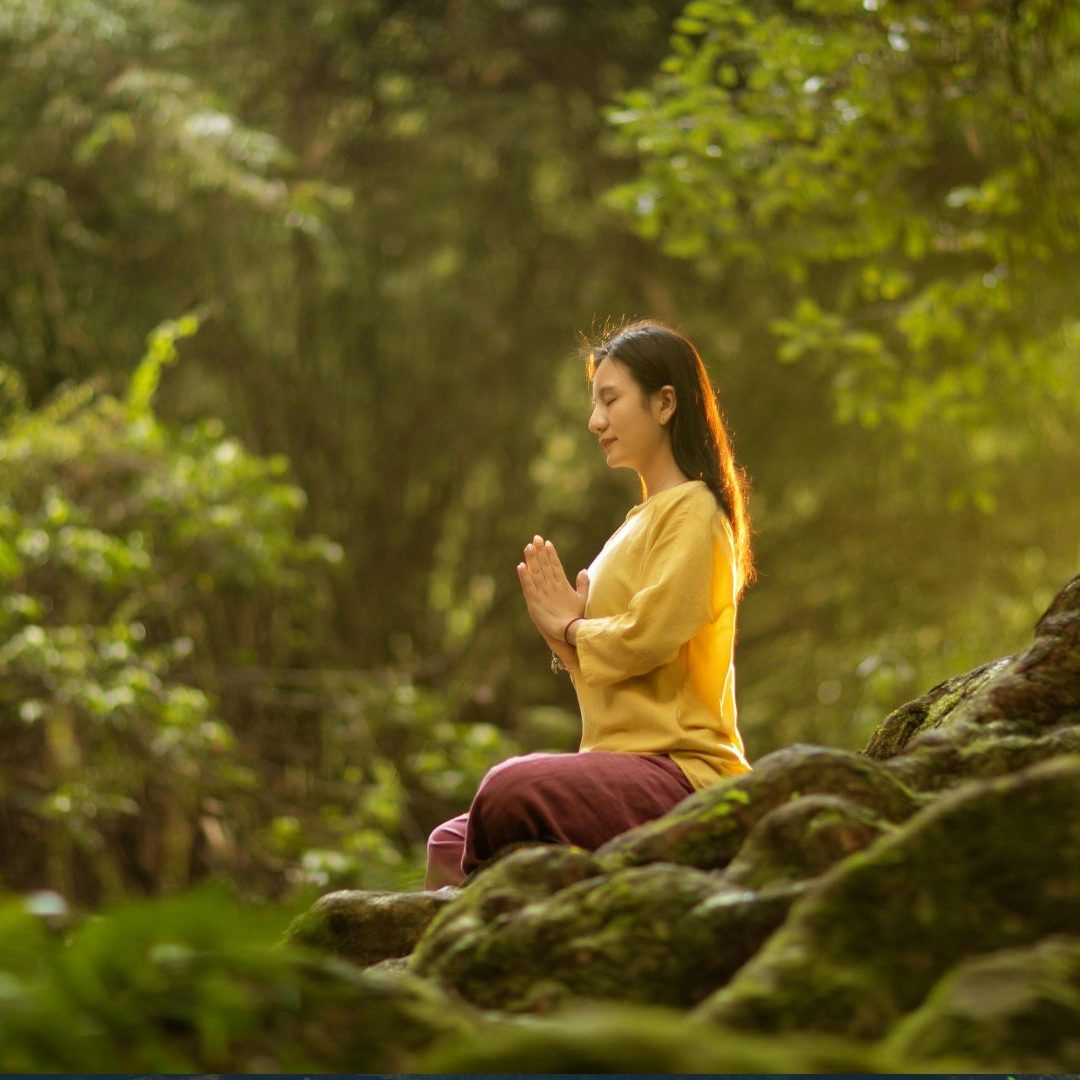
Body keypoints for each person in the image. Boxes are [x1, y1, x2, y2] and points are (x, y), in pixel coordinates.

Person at [425, 319, 755, 889]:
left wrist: (572, 628)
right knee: (449, 841)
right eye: (594, 403)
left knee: (507, 789)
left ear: (665, 402)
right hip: (618, 764)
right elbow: (613, 663)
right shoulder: (634, 525)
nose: (594, 420)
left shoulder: (695, 511)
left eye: (610, 399)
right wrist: (561, 634)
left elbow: (648, 638)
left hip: (681, 771)